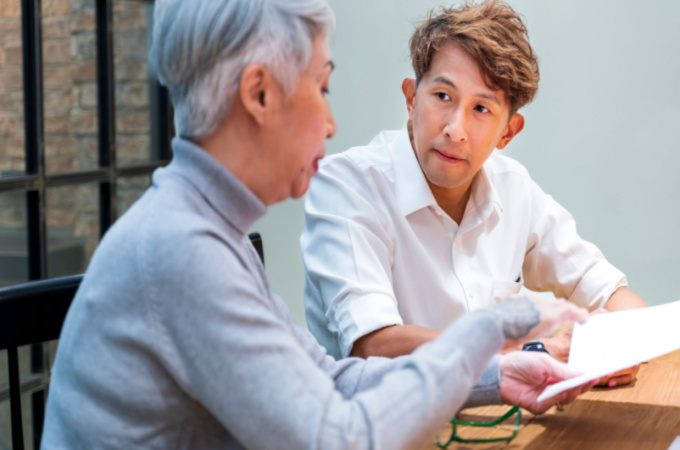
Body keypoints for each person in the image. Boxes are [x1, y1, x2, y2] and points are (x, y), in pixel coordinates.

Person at [41, 0, 595, 448]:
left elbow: (331, 381)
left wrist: (499, 376)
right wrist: (497, 328)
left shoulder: (206, 234)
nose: (330, 121)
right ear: (259, 94)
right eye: (322, 86)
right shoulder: (181, 252)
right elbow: (338, 437)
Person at [302, 0, 646, 387]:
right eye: (443, 97)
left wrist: (620, 342)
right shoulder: (347, 186)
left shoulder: (514, 189)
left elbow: (617, 296)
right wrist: (532, 356)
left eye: (481, 108)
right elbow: (374, 344)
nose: (455, 128)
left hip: (491, 429)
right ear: (412, 98)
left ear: (508, 132)